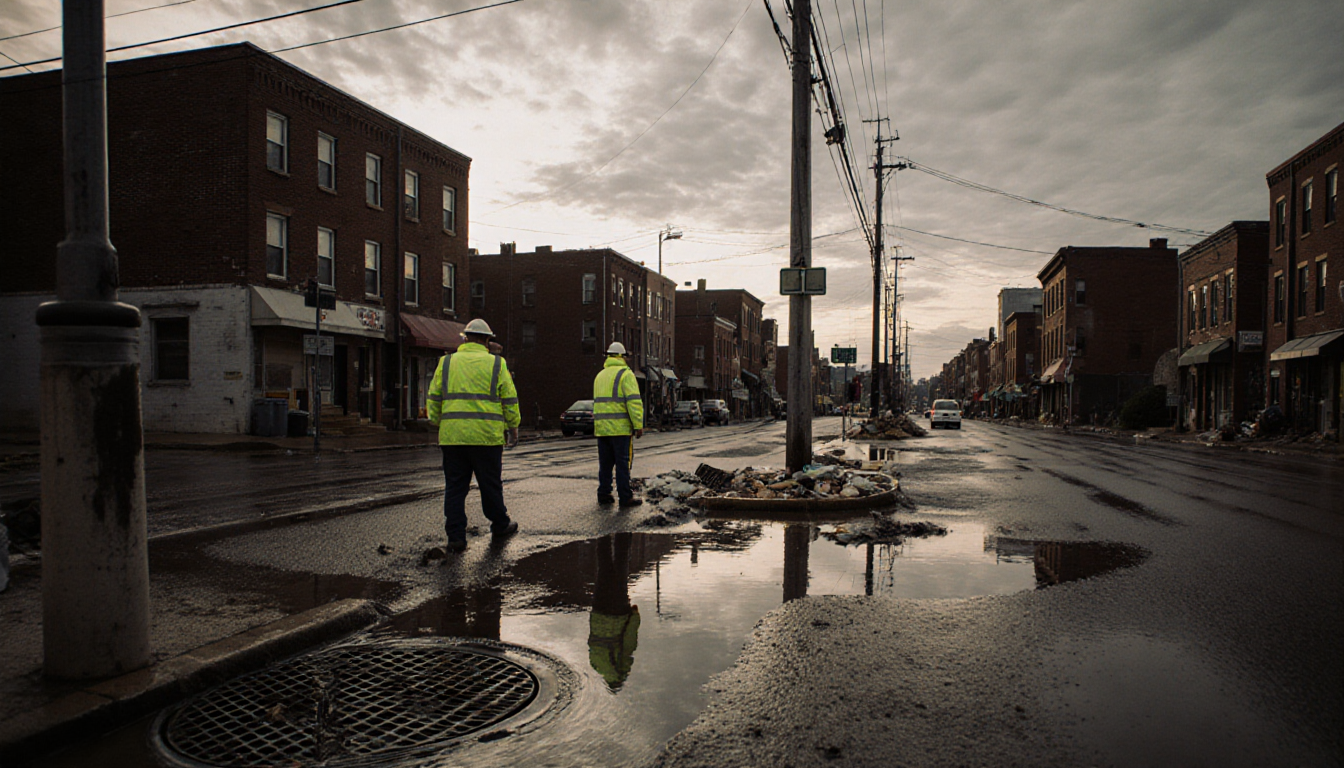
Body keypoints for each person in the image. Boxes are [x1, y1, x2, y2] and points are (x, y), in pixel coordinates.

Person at [427, 318, 520, 553]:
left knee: (455, 488)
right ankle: (499, 524)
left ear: (465, 338)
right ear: (487, 340)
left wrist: (438, 421)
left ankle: (456, 537)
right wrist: (513, 426)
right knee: (490, 485)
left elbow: (434, 397)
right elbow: (509, 400)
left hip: (453, 438)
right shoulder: (497, 364)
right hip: (486, 438)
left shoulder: (446, 363)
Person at [592, 342, 644, 507]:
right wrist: (638, 425)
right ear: (622, 356)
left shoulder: (600, 376)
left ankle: (604, 493)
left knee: (605, 464)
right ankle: (625, 496)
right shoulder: (626, 375)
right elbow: (633, 402)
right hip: (620, 429)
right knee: (623, 464)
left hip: (602, 429)